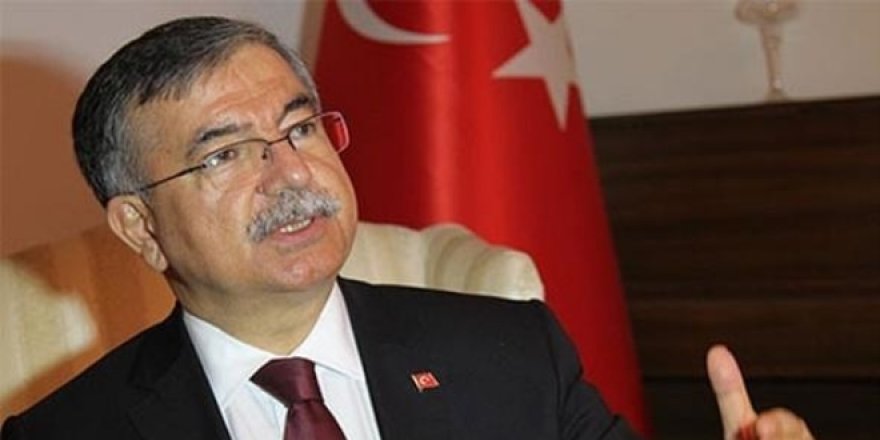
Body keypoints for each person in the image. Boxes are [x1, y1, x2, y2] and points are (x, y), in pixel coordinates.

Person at [1, 16, 812, 440]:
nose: (291, 174)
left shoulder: (512, 355)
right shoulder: (66, 435)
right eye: (225, 155)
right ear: (140, 226)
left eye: (300, 128)